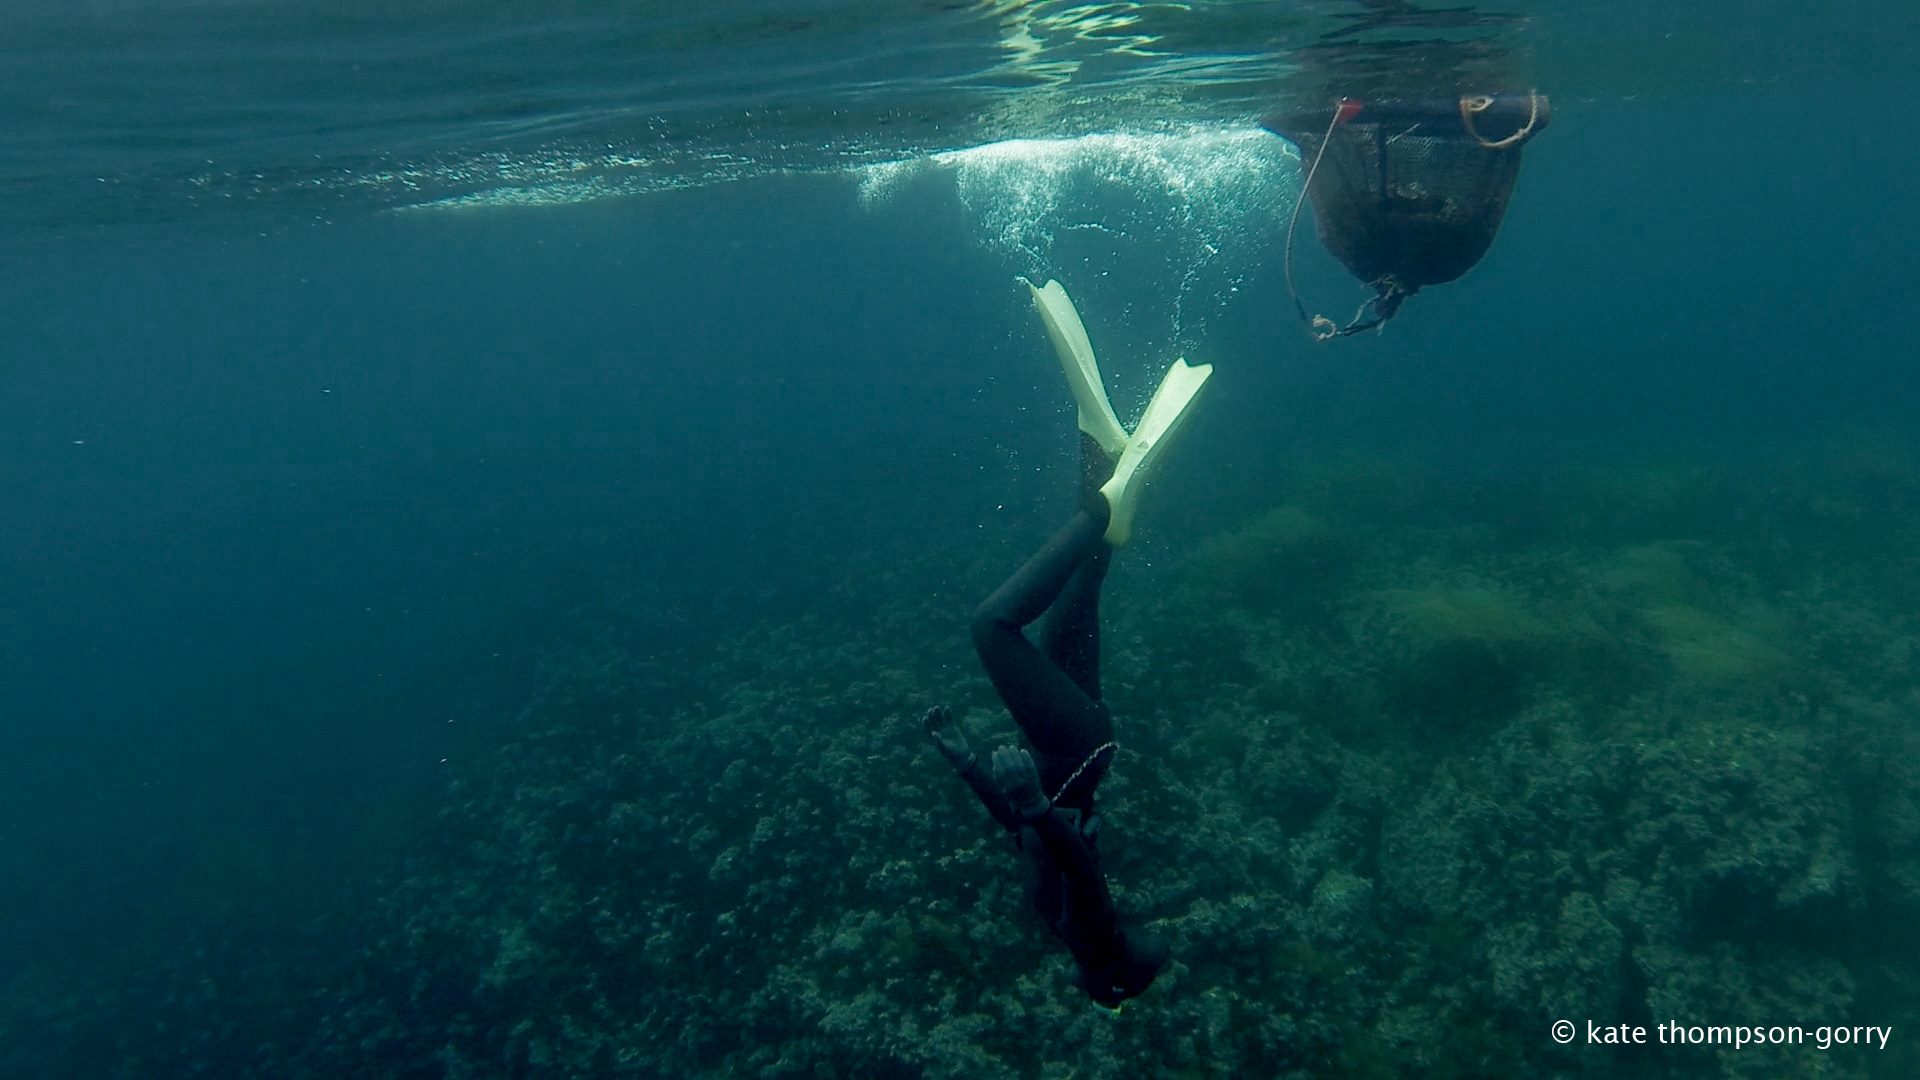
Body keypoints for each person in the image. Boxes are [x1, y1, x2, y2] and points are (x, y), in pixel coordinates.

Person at [923, 279, 1211, 1008]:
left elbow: (1019, 835)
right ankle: (1104, 501)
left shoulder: (1074, 937)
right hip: (1069, 748)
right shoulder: (1094, 938)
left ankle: (1105, 469)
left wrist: (969, 769)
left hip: (1086, 742)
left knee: (1083, 586)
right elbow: (1076, 864)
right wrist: (1041, 805)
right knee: (991, 628)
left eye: (1145, 960)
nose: (1147, 949)